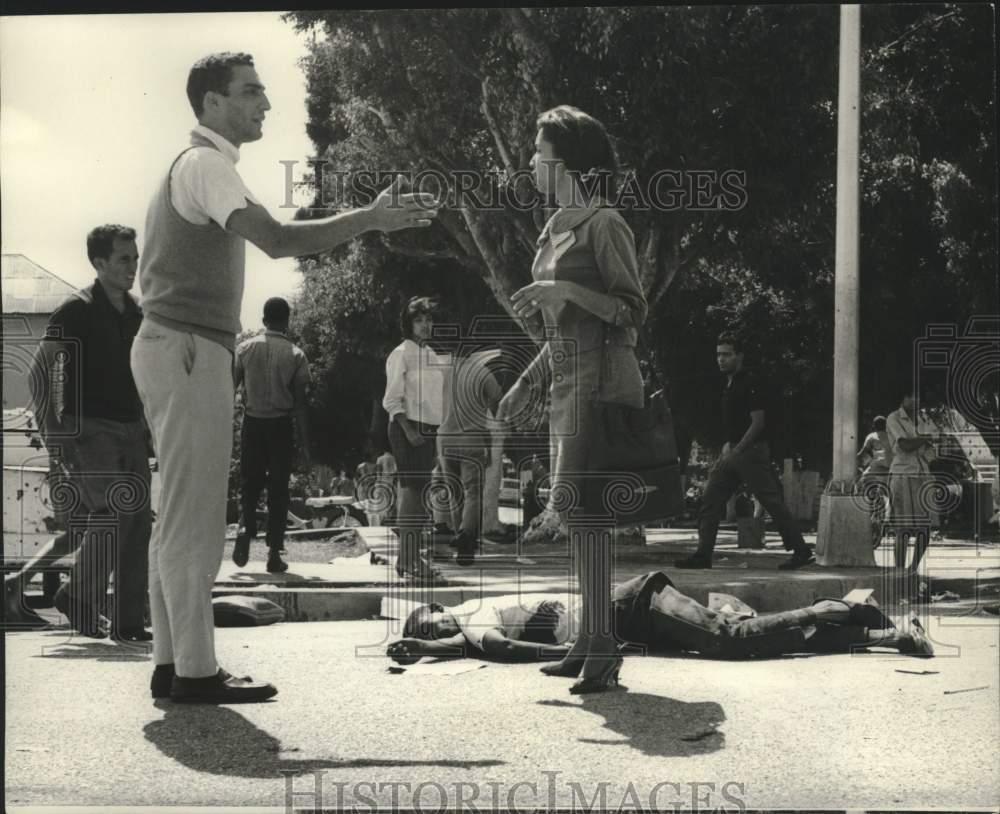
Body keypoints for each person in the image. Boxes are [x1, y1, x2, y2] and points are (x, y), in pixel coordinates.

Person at [130, 52, 437, 704]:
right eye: (249, 93)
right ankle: (193, 672)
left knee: (176, 518)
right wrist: (371, 220)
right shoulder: (207, 165)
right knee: (194, 522)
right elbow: (275, 239)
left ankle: (173, 662)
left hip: (177, 346)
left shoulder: (198, 167)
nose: (264, 105)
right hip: (188, 348)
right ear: (211, 104)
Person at [497, 105, 647, 694]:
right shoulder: (555, 224)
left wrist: (562, 287)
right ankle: (589, 640)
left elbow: (632, 311)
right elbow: (561, 330)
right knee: (578, 518)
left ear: (564, 161)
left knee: (589, 518)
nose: (530, 161)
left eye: (538, 152)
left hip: (602, 380)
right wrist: (524, 383)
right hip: (565, 381)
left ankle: (603, 647)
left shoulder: (604, 223)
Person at [24, 224, 152, 642]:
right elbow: (39, 373)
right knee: (113, 513)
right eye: (123, 259)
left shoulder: (137, 312)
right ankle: (76, 597)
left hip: (133, 428)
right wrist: (54, 433)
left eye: (135, 257)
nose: (133, 266)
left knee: (137, 522)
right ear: (99, 264)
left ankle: (129, 621)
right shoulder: (76, 309)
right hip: (90, 430)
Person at [387, 570, 933, 664]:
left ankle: (844, 605)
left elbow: (499, 649)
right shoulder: (467, 627)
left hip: (634, 606)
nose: (434, 630)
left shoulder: (471, 613)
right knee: (760, 644)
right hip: (635, 615)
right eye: (427, 632)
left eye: (427, 621)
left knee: (734, 638)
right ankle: (885, 635)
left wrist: (574, 653)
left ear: (438, 610)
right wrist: (431, 650)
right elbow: (478, 647)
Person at [674, 335, 814, 571]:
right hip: (733, 452)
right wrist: (728, 447)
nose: (721, 359)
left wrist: (737, 449)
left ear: (739, 356)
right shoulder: (728, 384)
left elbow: (757, 423)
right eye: (718, 354)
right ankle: (703, 554)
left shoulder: (750, 382)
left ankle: (801, 551)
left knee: (771, 501)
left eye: (726, 354)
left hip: (751, 451)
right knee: (710, 499)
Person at [233, 297, 311, 574]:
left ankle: (245, 525)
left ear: (264, 320)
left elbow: (231, 388)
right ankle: (273, 553)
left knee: (249, 482)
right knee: (278, 491)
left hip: (253, 424)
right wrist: (304, 441)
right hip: (280, 426)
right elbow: (300, 403)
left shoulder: (244, 349)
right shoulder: (296, 354)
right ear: (286, 321)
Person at [437, 339, 503, 565]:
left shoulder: (440, 372)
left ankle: (461, 542)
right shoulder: (480, 371)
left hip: (444, 439)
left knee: (454, 493)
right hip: (472, 439)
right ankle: (466, 536)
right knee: (472, 492)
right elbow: (497, 399)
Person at [886, 391, 938, 572]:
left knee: (925, 529)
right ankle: (899, 570)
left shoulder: (923, 419)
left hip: (923, 475)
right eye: (910, 396)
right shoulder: (893, 418)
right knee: (903, 528)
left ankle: (913, 568)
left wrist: (929, 445)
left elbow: (933, 450)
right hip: (902, 475)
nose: (915, 400)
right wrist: (925, 439)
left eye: (918, 396)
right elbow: (905, 445)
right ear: (902, 398)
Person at [857, 415, 893, 548]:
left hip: (875, 470)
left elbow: (863, 454)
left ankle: (867, 509)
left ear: (874, 426)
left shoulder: (872, 436)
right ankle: (888, 518)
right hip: (891, 471)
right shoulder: (893, 436)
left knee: (860, 484)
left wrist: (856, 461)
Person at [520, 454, 548, 531]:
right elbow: (526, 483)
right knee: (529, 516)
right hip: (529, 494)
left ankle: (528, 529)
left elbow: (543, 476)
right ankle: (527, 530)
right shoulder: (528, 465)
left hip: (532, 494)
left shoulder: (532, 464)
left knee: (532, 516)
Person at [375, 448, 398, 526]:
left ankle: (384, 520)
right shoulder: (395, 458)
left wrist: (378, 483)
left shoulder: (380, 459)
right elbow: (396, 471)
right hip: (393, 482)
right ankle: (392, 519)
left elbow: (378, 473)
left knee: (384, 502)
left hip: (383, 482)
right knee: (393, 501)